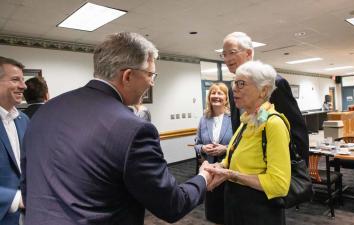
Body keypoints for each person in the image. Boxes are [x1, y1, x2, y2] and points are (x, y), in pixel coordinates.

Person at [21, 32, 212, 225]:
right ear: (128, 76)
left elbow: (27, 182)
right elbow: (172, 205)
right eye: (150, 75)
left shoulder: (46, 110)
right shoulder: (134, 129)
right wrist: (203, 177)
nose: (152, 82)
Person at [206, 61, 291, 225]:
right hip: (237, 207)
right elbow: (235, 159)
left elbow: (279, 184)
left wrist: (231, 175)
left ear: (264, 90)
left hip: (259, 212)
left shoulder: (274, 123)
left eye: (241, 83)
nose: (234, 89)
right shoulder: (247, 120)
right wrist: (220, 167)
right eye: (234, 83)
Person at [221, 31, 309, 163]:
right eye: (224, 54)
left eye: (232, 52)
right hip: (246, 168)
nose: (227, 59)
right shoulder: (232, 90)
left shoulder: (273, 84)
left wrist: (298, 168)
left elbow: (296, 130)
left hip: (274, 166)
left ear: (249, 53)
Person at [194, 82, 233, 224]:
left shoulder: (233, 119)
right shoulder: (204, 119)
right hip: (209, 169)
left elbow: (241, 145)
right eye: (213, 93)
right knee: (213, 213)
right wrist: (203, 148)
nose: (216, 96)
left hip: (228, 171)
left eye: (220, 93)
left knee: (229, 212)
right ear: (209, 97)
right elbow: (197, 145)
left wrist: (226, 148)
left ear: (226, 98)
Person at [0, 56, 29, 225]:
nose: (23, 86)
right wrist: (16, 199)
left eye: (23, 80)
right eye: (15, 79)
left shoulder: (23, 120)